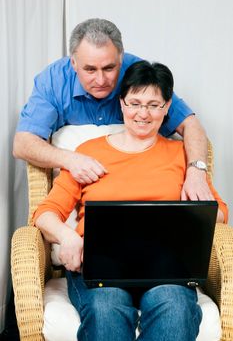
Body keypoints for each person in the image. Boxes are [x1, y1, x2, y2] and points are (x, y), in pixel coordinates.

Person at [33, 60, 228, 341]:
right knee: (106, 307)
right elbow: (45, 212)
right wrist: (66, 236)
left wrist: (189, 213)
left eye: (153, 105)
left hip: (167, 269)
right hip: (100, 268)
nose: (142, 114)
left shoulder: (181, 155)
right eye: (135, 103)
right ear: (122, 103)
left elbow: (219, 212)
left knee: (175, 307)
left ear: (167, 107)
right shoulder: (89, 153)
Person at [13, 18, 213, 200]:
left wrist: (196, 172)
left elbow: (190, 124)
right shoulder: (54, 80)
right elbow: (22, 143)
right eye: (90, 69)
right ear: (73, 62)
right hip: (85, 184)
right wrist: (70, 159)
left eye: (109, 68)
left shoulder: (138, 73)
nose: (101, 80)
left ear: (121, 59)